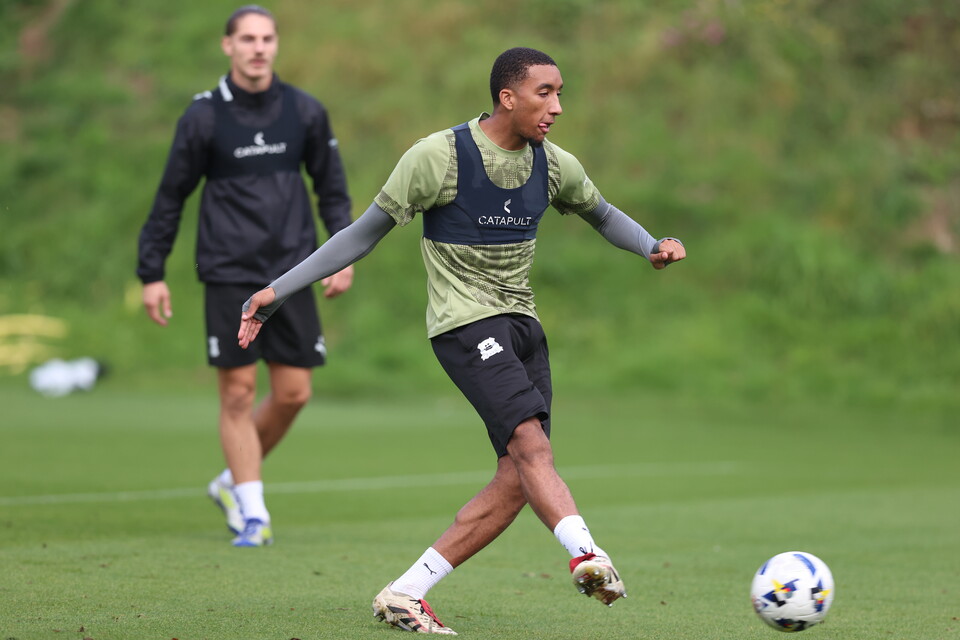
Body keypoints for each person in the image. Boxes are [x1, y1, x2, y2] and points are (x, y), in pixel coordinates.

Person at [238, 47, 686, 632]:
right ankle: (587, 554)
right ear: (507, 97)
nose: (557, 107)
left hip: (523, 326)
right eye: (544, 93)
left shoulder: (553, 165)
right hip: (466, 325)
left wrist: (650, 245)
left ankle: (405, 592)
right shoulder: (439, 157)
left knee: (520, 476)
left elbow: (602, 214)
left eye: (560, 93)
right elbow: (360, 235)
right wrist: (277, 291)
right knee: (531, 446)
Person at [137, 5, 354, 548]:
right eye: (248, 39)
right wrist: (151, 271)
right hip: (229, 270)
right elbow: (170, 197)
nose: (259, 47)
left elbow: (331, 188)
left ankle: (232, 480)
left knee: (295, 392)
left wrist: (342, 252)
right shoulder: (204, 117)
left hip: (293, 271)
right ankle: (253, 514)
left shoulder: (305, 111)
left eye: (267, 38)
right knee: (237, 392)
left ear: (276, 45)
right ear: (227, 46)